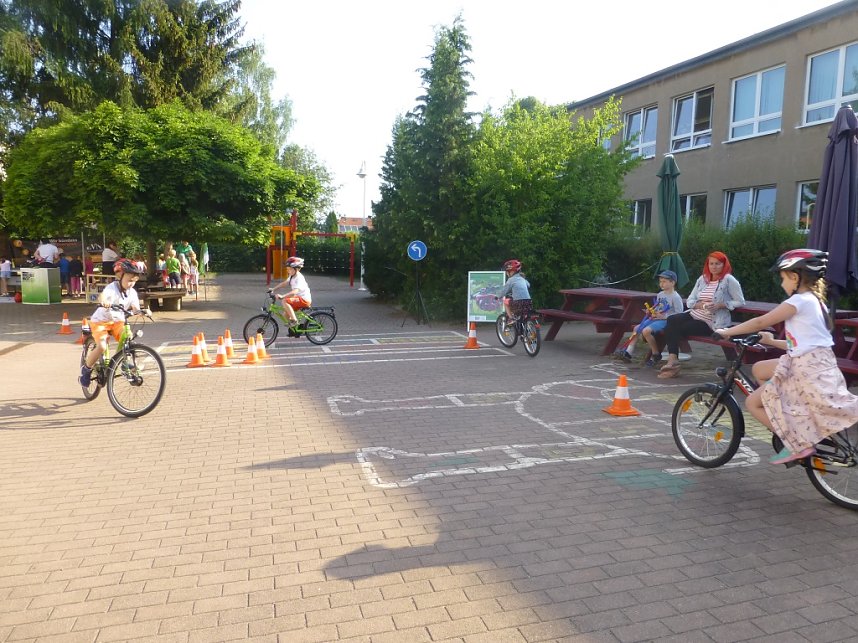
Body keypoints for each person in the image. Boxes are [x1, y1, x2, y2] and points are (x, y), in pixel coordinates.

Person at [715, 249, 858, 464]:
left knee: (754, 403)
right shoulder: (814, 301)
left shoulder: (798, 302)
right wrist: (772, 342)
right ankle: (791, 414)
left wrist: (726, 331)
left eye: (783, 278)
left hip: (805, 368)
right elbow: (803, 342)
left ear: (795, 277)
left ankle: (797, 442)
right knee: (759, 369)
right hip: (813, 362)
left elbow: (760, 322)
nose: (782, 284)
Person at [658, 251, 745, 379]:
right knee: (672, 320)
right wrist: (700, 305)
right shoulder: (703, 279)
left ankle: (672, 365)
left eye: (717, 264)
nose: (714, 267)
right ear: (707, 265)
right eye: (711, 264)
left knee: (676, 328)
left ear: (724, 265)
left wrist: (721, 304)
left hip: (712, 321)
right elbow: (690, 300)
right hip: (695, 313)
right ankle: (673, 360)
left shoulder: (729, 280)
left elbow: (740, 301)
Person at [79, 259, 149, 387]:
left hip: (117, 321)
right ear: (119, 276)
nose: (131, 284)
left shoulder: (132, 293)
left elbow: (135, 308)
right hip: (101, 321)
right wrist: (105, 302)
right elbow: (103, 297)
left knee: (127, 337)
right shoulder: (112, 288)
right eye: (129, 280)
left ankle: (123, 363)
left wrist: (142, 312)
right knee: (101, 347)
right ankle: (86, 369)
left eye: (134, 281)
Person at [614, 270, 684, 367]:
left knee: (646, 331)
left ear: (672, 282)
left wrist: (664, 316)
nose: (661, 284)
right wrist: (651, 310)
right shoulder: (660, 294)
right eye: (660, 281)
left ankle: (655, 354)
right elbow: (658, 306)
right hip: (655, 319)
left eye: (664, 281)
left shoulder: (675, 297)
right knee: (636, 329)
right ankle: (629, 352)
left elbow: (679, 314)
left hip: (666, 321)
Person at [270, 256, 311, 335]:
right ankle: (295, 330)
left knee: (285, 301)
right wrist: (273, 289)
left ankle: (294, 321)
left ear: (297, 269)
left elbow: (295, 291)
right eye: (287, 269)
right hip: (298, 298)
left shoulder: (299, 278)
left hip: (304, 299)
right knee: (285, 314)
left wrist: (283, 296)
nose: (288, 270)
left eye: (289, 269)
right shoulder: (292, 276)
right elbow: (284, 283)